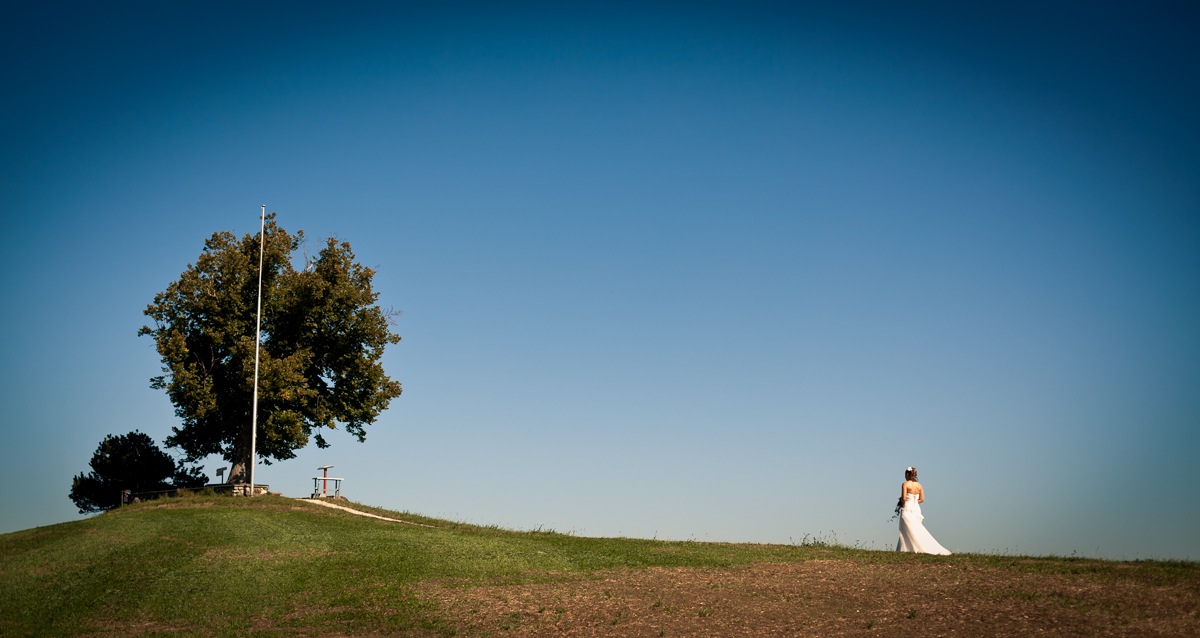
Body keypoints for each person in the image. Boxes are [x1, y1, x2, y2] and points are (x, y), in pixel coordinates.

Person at [896, 466, 952, 555]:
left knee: (907, 528)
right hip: (916, 509)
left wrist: (901, 502)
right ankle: (910, 548)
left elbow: (903, 498)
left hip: (907, 508)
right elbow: (922, 499)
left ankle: (907, 548)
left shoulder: (905, 484)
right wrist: (914, 501)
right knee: (915, 528)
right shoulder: (919, 486)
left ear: (907, 474)